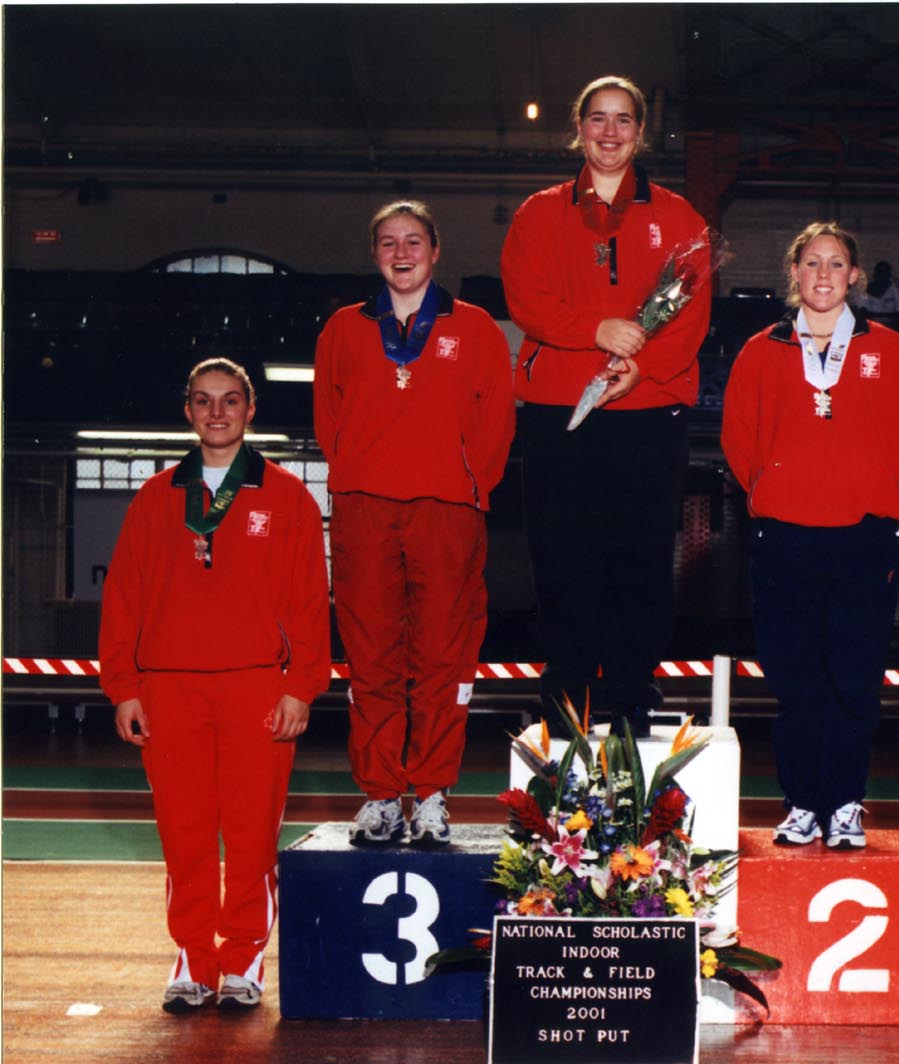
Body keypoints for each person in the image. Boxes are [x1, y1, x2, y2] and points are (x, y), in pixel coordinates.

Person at [100, 358, 330, 1011]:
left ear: (250, 409)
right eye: (204, 401)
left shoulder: (286, 495)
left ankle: (244, 962)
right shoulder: (155, 496)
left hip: (257, 688)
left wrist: (301, 685)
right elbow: (123, 599)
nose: (217, 412)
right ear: (188, 411)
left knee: (254, 834)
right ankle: (194, 961)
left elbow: (311, 599)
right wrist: (123, 685)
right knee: (185, 833)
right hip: (169, 689)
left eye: (230, 400)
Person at [500, 75, 712, 738]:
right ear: (579, 127)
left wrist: (639, 365)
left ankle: (629, 697)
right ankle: (565, 697)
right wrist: (599, 329)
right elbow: (525, 299)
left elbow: (690, 311)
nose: (611, 132)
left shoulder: (679, 219)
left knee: (642, 558)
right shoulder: (538, 212)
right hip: (559, 412)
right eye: (598, 119)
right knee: (562, 557)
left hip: (648, 413)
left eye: (624, 120)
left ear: (641, 131)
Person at [722, 221, 899, 850]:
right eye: (811, 263)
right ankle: (800, 802)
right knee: (795, 680)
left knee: (853, 676)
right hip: (783, 537)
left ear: (854, 277)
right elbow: (739, 437)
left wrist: (890, 504)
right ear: (794, 274)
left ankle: (843, 801)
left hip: (861, 539)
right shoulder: (763, 350)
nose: (822, 274)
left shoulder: (889, 351)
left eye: (835, 264)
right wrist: (770, 494)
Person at [314, 200, 516, 846]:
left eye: (413, 241)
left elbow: (497, 422)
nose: (401, 253)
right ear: (375, 254)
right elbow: (327, 418)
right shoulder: (343, 329)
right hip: (364, 507)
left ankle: (430, 793)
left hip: (448, 510)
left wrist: (468, 484)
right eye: (388, 243)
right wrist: (353, 470)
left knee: (442, 658)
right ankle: (378, 793)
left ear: (436, 250)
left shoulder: (477, 327)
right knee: (371, 656)